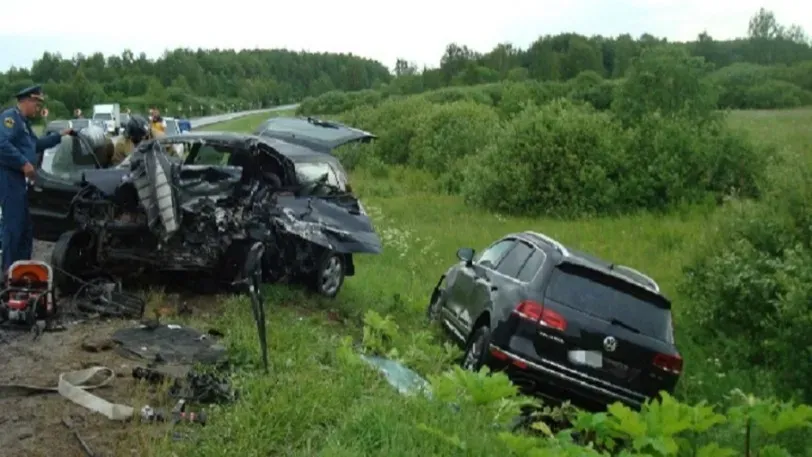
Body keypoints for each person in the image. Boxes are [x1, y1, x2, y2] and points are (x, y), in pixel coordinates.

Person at [0, 85, 73, 272]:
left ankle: (22, 272)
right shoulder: (10, 118)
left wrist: (59, 136)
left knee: (25, 231)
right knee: (13, 230)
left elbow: (36, 145)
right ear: (27, 100)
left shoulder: (24, 124)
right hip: (10, 180)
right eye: (37, 102)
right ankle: (8, 274)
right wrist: (23, 163)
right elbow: (1, 143)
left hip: (22, 183)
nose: (39, 107)